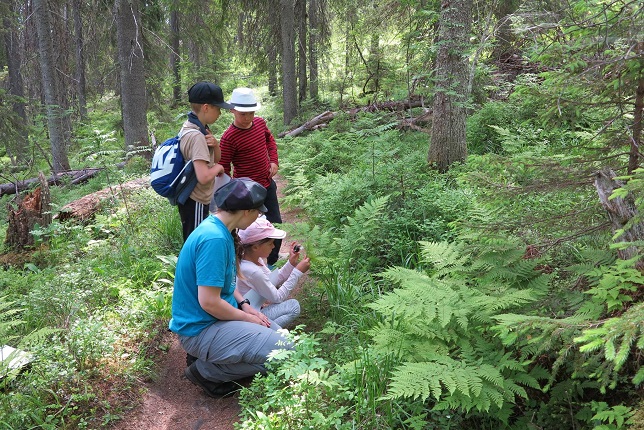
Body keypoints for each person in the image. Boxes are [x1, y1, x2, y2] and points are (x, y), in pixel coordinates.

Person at [168, 178, 293, 398]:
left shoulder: (219, 229)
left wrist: (245, 305)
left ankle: (217, 358)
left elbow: (223, 283)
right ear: (245, 211)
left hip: (217, 320)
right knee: (287, 353)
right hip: (201, 329)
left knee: (285, 341)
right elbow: (209, 301)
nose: (259, 216)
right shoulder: (214, 239)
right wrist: (248, 319)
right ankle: (207, 371)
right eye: (257, 211)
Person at [219, 87, 283, 266]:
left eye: (251, 113)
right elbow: (224, 169)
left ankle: (271, 262)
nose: (247, 118)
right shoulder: (229, 138)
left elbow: (270, 141)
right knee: (248, 231)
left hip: (267, 185)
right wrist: (234, 193)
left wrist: (274, 161)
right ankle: (246, 266)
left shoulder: (260, 123)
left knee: (274, 223)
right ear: (232, 110)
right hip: (246, 194)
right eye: (243, 114)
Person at [178, 81, 233, 242]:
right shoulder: (196, 136)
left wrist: (215, 145)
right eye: (218, 109)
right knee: (196, 242)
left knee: (197, 241)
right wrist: (218, 169)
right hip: (195, 200)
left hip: (197, 199)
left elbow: (214, 158)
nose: (220, 113)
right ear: (206, 107)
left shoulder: (195, 127)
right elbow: (203, 176)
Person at [237, 217, 311, 328]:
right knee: (293, 306)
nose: (273, 246)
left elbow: (273, 279)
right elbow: (277, 297)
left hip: (255, 308)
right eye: (270, 243)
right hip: (252, 317)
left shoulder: (254, 259)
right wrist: (297, 272)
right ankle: (266, 331)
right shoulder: (252, 271)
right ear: (256, 247)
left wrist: (290, 263)